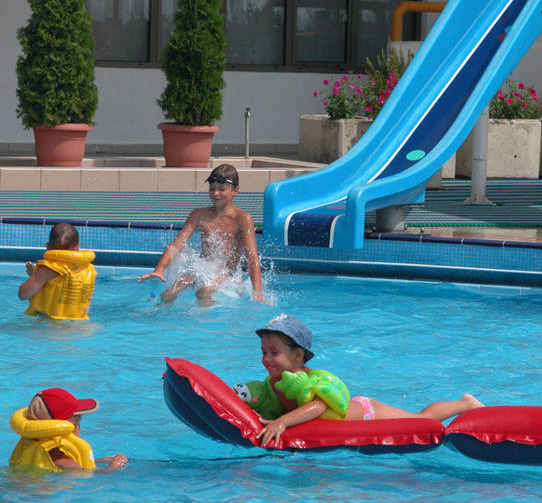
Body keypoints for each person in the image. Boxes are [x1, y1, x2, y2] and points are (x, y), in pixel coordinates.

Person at [234, 314, 484, 446]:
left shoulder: (312, 379)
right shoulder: (272, 385)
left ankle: (466, 403)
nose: (267, 359)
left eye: (274, 353)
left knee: (422, 420)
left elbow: (318, 407)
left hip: (367, 413)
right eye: (263, 352)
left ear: (298, 355)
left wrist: (281, 423)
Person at [137, 164, 264, 305]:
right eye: (212, 188)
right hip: (203, 270)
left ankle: (208, 318)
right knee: (169, 293)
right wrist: (159, 268)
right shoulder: (199, 214)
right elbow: (176, 245)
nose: (215, 193)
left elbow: (252, 258)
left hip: (227, 276)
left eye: (221, 189)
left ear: (235, 190)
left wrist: (257, 295)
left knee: (203, 293)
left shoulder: (242, 218)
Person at [9, 388, 128, 472]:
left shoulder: (34, 442)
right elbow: (90, 476)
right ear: (64, 427)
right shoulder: (60, 459)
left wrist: (97, 461)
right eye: (78, 420)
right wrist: (113, 467)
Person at [18, 222, 97, 320]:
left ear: (47, 247)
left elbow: (23, 294)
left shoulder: (48, 269)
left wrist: (35, 276)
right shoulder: (87, 268)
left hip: (51, 324)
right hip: (80, 325)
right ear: (77, 249)